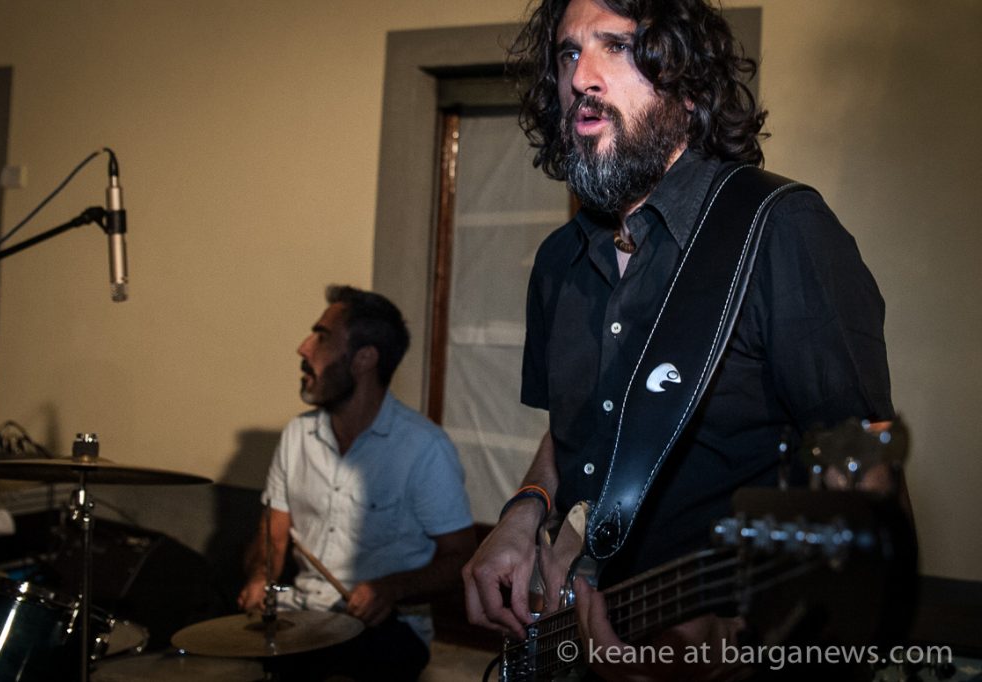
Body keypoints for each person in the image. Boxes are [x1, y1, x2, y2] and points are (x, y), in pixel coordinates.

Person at [462, 0, 901, 679]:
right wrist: (526, 511)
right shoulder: (558, 262)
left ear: (688, 85)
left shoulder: (781, 230)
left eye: (616, 46)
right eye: (569, 53)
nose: (581, 76)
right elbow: (583, 428)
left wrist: (733, 638)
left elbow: (870, 489)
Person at [238, 284, 475, 681]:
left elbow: (460, 558)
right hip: (303, 615)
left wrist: (391, 588)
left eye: (321, 337)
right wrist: (260, 575)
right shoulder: (297, 436)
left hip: (387, 628)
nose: (303, 348)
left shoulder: (424, 448)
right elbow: (273, 537)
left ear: (364, 358)